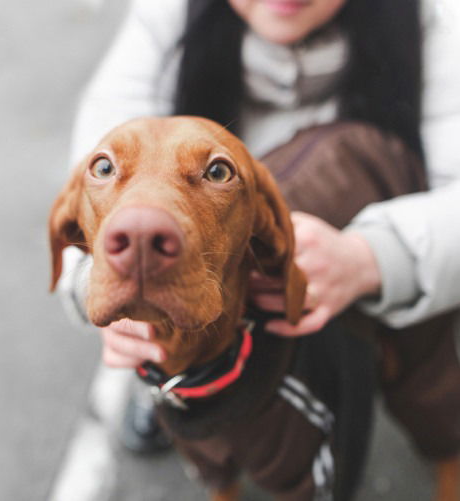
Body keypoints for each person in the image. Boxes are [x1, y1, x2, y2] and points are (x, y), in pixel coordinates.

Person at [59, 0, 460, 454]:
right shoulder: (165, 15)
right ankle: (164, 377)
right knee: (167, 323)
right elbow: (95, 172)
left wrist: (379, 257)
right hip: (190, 254)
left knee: (398, 365)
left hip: (361, 223)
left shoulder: (440, 23)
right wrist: (90, 278)